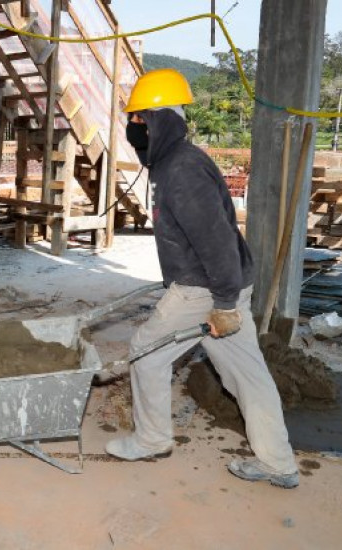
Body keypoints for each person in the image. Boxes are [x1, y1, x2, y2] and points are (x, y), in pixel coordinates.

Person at [105, 68, 299, 489]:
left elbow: (215, 240)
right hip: (222, 284)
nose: (132, 127)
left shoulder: (181, 170)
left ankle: (151, 439)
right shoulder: (173, 161)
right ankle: (278, 463)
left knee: (145, 352)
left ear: (159, 121)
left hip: (204, 289)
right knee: (247, 375)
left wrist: (224, 304)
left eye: (139, 118)